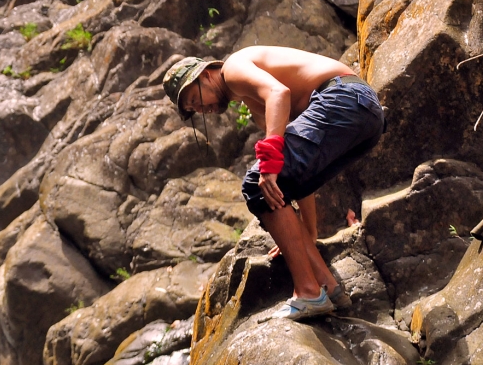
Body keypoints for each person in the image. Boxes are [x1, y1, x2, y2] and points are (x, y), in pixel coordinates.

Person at [162, 45, 384, 320]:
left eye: (195, 99)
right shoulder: (256, 105)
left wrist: (268, 164)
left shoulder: (233, 68)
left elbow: (279, 93)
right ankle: (329, 286)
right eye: (194, 109)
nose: (201, 109)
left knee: (257, 183)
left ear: (207, 75)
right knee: (275, 189)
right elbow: (296, 179)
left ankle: (308, 292)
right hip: (366, 115)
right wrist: (306, 234)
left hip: (344, 98)